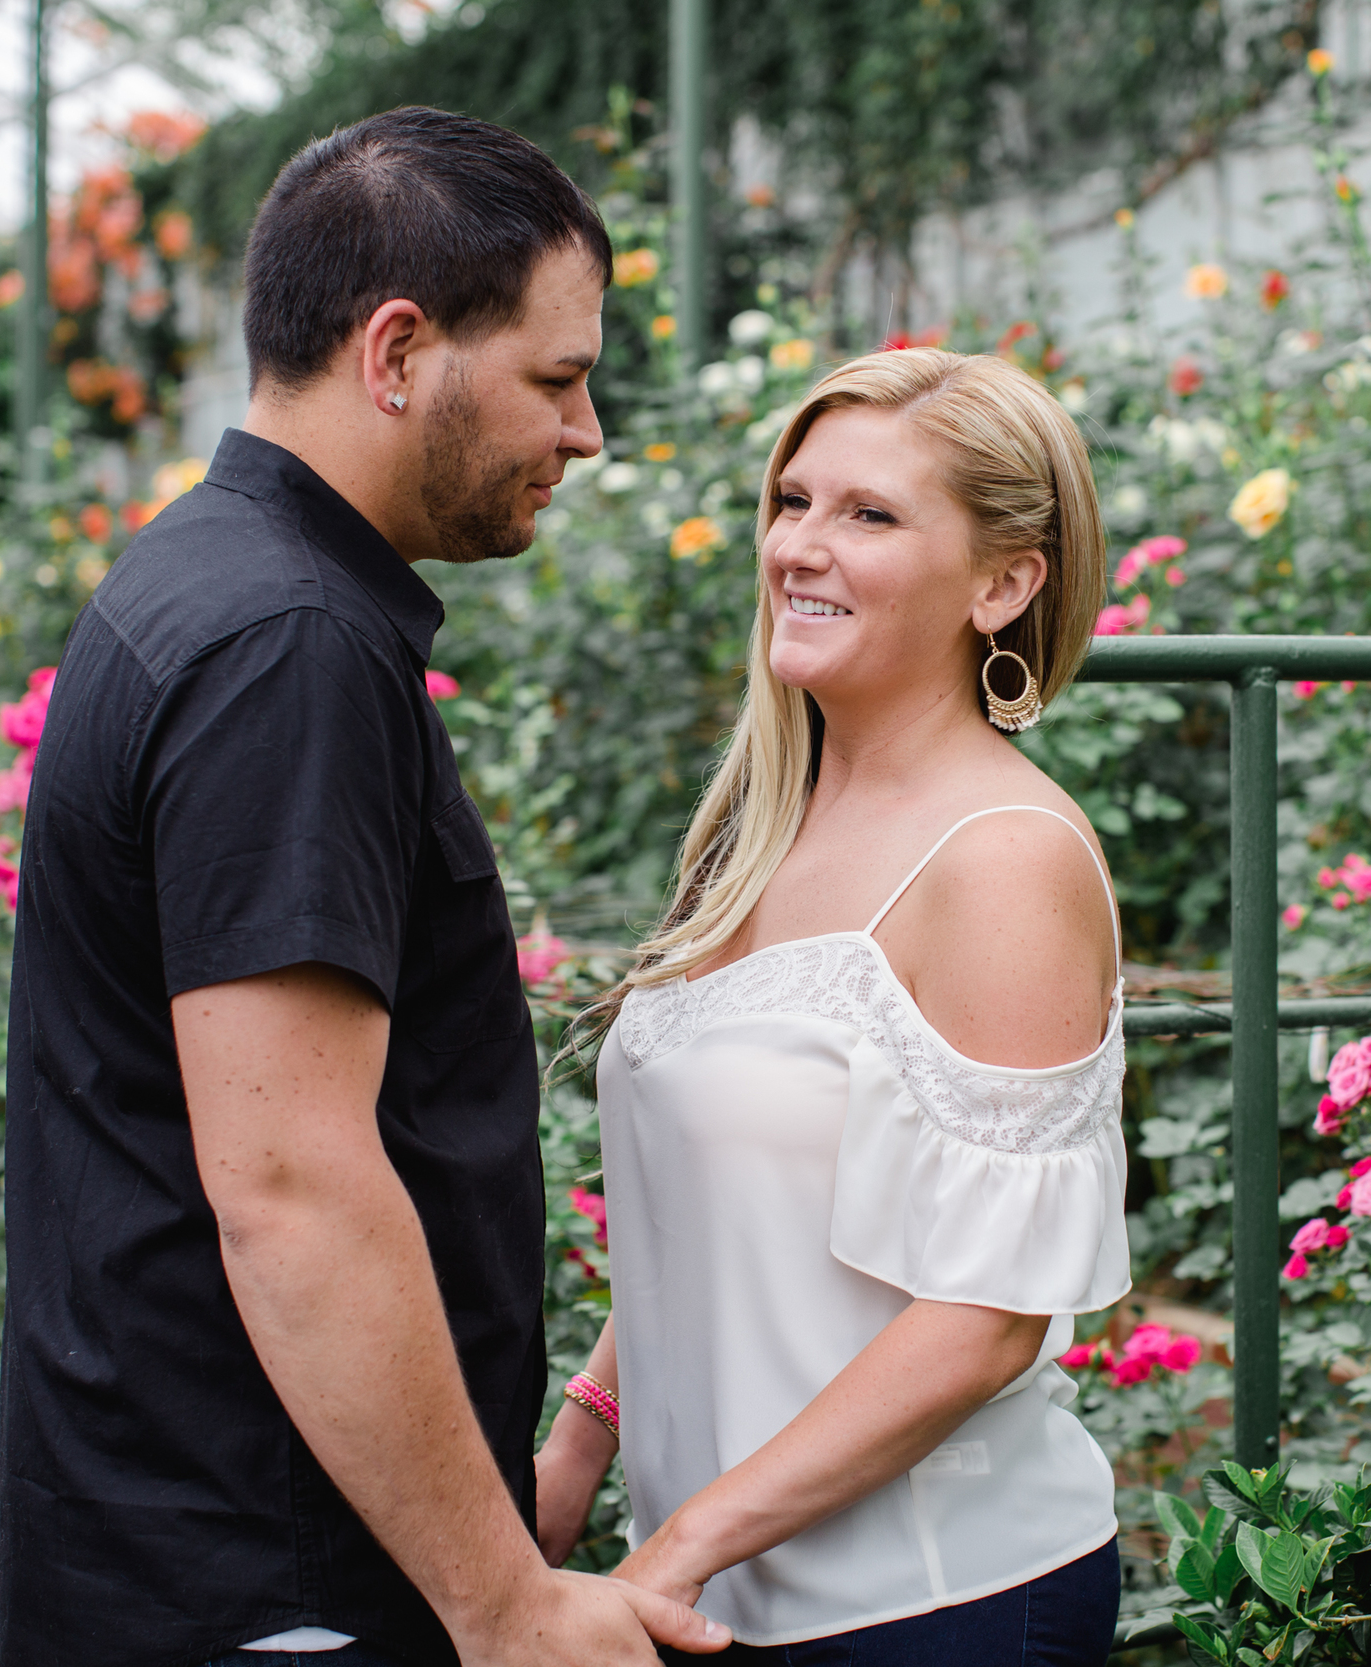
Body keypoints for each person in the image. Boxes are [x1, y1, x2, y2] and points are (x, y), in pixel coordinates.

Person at [0, 107, 729, 1667]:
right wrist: (501, 1603)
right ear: (398, 354)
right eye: (558, 376)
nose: (587, 433)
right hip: (264, 1584)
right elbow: (294, 1190)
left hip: (193, 1547)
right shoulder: (289, 648)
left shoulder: (210, 575)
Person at [536, 350, 1129, 1666]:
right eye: (792, 501)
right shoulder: (758, 829)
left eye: (868, 515)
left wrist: (676, 1550)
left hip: (930, 1608)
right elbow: (734, 1216)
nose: (800, 546)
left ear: (1004, 582)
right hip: (716, 1593)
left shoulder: (1003, 858)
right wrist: (578, 1445)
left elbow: (987, 1318)